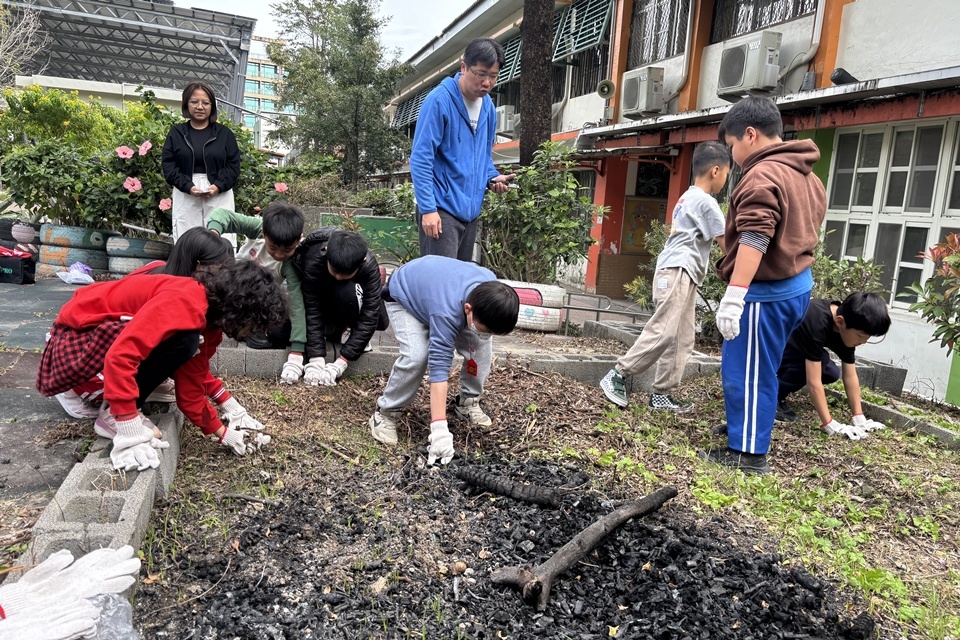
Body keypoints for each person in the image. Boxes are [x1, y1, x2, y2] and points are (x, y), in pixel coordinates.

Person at [36, 260, 288, 471]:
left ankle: (125, 400)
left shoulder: (210, 325)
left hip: (105, 343)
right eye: (255, 325)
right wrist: (128, 424)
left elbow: (190, 389)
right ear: (241, 309)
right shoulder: (184, 303)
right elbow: (120, 356)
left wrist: (222, 432)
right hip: (75, 340)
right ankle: (110, 411)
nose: (254, 333)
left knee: (187, 342)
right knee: (184, 340)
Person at [703, 96, 826, 474]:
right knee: (763, 364)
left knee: (746, 370)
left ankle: (748, 454)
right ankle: (746, 429)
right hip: (796, 285)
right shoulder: (805, 173)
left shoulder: (762, 175)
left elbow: (757, 236)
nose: (733, 155)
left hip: (766, 292)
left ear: (750, 135)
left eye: (733, 145)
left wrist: (735, 294)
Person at [51, 227, 236, 420]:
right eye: (220, 271)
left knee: (183, 342)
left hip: (95, 339)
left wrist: (223, 399)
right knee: (184, 341)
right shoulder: (176, 299)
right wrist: (125, 416)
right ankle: (82, 395)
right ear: (199, 266)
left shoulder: (161, 273)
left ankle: (135, 391)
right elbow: (123, 354)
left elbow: (195, 365)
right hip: (80, 351)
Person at [600, 142, 731, 412]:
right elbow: (726, 243)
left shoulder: (688, 196)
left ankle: (662, 394)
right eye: (728, 173)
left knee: (683, 338)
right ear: (716, 171)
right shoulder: (706, 202)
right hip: (678, 270)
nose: (727, 179)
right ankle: (617, 374)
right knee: (664, 331)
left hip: (684, 272)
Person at [368, 256, 519, 465]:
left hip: (437, 292)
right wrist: (439, 429)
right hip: (406, 295)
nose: (486, 334)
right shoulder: (446, 313)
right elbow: (439, 370)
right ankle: (385, 413)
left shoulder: (490, 288)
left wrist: (482, 335)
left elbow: (480, 333)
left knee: (481, 348)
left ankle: (467, 403)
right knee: (417, 356)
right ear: (468, 309)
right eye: (485, 329)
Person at [409, 37, 516, 261]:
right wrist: (428, 210)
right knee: (439, 285)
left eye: (493, 76)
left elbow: (483, 156)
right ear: (464, 67)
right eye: (481, 74)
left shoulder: (487, 106)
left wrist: (492, 178)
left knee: (459, 283)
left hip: (470, 211)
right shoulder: (439, 101)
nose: (487, 82)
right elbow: (421, 159)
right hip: (440, 209)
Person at [206, 202, 308, 384]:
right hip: (230, 287)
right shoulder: (256, 228)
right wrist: (213, 234)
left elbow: (296, 302)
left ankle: (247, 329)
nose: (278, 254)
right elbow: (223, 214)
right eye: (273, 247)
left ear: (299, 239)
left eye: (287, 250)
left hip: (254, 302)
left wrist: (297, 349)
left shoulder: (291, 264)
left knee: (270, 331)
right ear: (263, 232)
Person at [776, 292, 890, 439]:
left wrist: (859, 417)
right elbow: (813, 381)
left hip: (794, 349)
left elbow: (850, 375)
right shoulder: (817, 319)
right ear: (839, 321)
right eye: (861, 336)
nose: (863, 342)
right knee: (820, 363)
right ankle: (772, 397)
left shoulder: (849, 324)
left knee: (830, 372)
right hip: (772, 349)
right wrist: (829, 424)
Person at [292, 227, 389, 386]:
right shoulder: (314, 258)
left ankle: (353, 336)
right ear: (327, 251)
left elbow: (370, 314)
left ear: (362, 261)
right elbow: (312, 308)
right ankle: (330, 332)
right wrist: (316, 359)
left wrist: (342, 362)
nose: (337, 276)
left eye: (345, 273)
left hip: (349, 300)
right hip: (324, 300)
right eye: (335, 270)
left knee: (346, 290)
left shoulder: (369, 266)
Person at [161, 81, 241, 241]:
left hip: (219, 193)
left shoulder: (225, 134)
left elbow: (234, 166)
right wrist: (188, 186)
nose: (200, 106)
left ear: (212, 106)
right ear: (186, 104)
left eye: (205, 102)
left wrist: (218, 186)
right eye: (194, 102)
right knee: (187, 241)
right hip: (186, 192)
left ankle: (223, 267)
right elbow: (169, 166)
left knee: (221, 240)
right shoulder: (176, 133)